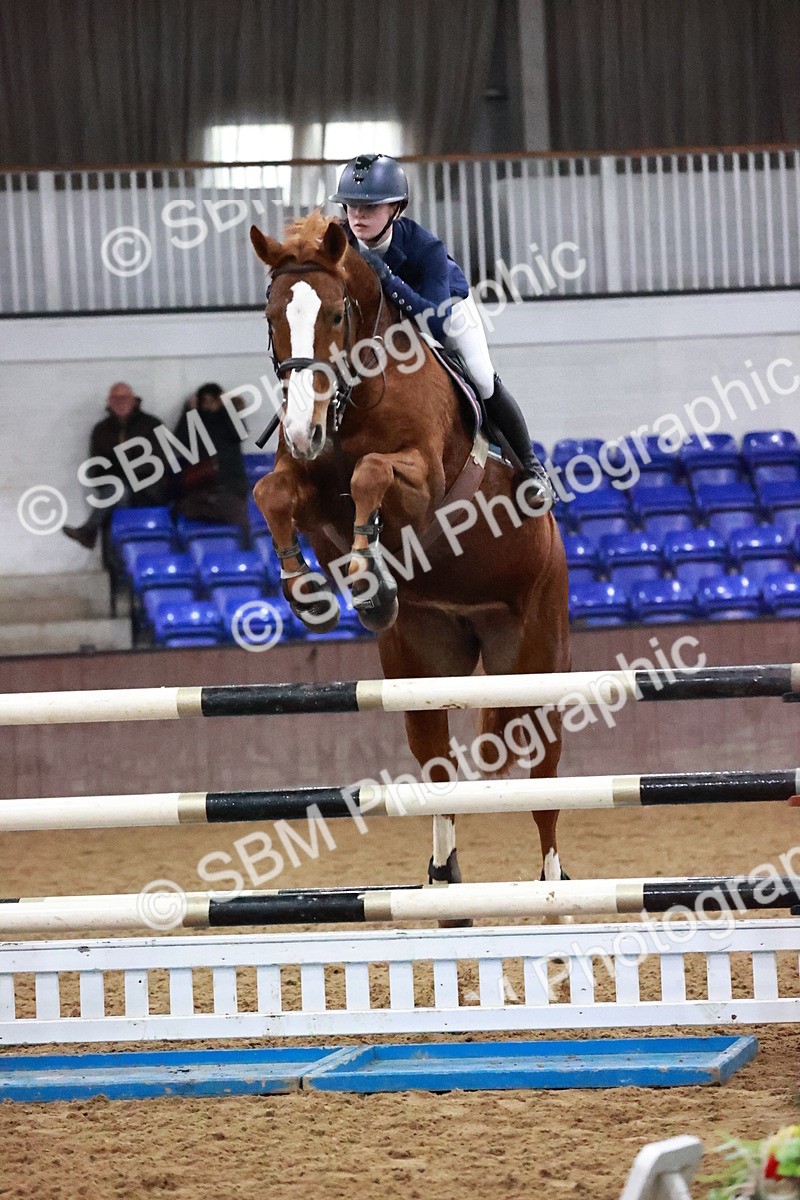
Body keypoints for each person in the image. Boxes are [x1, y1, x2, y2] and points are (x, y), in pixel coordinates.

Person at [329, 153, 552, 498]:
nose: (357, 216)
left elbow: (435, 322)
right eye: (351, 206)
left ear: (396, 209)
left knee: (480, 375)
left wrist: (387, 278)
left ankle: (531, 467)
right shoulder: (338, 240)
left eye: (370, 207)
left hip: (442, 308)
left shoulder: (425, 247)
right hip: (377, 320)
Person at [63, 382, 168, 550]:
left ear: (134, 400)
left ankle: (91, 531)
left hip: (149, 485)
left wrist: (122, 469)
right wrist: (118, 471)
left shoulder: (152, 424)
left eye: (124, 397)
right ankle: (126, 552)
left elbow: (158, 460)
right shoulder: (101, 430)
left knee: (119, 489)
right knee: (120, 491)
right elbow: (97, 466)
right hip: (116, 486)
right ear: (109, 401)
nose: (120, 402)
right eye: (115, 398)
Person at [171, 383, 249, 532]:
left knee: (236, 518)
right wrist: (189, 411)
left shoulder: (228, 422)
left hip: (229, 486)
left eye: (213, 400)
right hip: (200, 485)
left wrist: (227, 408)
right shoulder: (195, 422)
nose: (209, 406)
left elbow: (240, 433)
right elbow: (179, 441)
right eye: (205, 401)